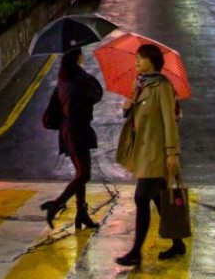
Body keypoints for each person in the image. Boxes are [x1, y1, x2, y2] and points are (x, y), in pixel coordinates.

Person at [115, 43, 184, 267]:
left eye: (140, 58)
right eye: (136, 58)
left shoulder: (162, 87)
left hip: (156, 152)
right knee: (157, 197)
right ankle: (178, 243)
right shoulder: (140, 85)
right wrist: (128, 104)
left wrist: (172, 153)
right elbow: (133, 116)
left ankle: (136, 251)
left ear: (151, 61)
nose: (136, 62)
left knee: (141, 197)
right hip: (143, 151)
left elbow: (170, 122)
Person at [42, 47, 104, 230]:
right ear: (77, 57)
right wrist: (83, 71)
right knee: (84, 175)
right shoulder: (79, 78)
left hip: (67, 131)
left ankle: (81, 214)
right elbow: (97, 93)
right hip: (79, 131)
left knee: (80, 174)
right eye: (81, 54)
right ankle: (56, 204)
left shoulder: (63, 78)